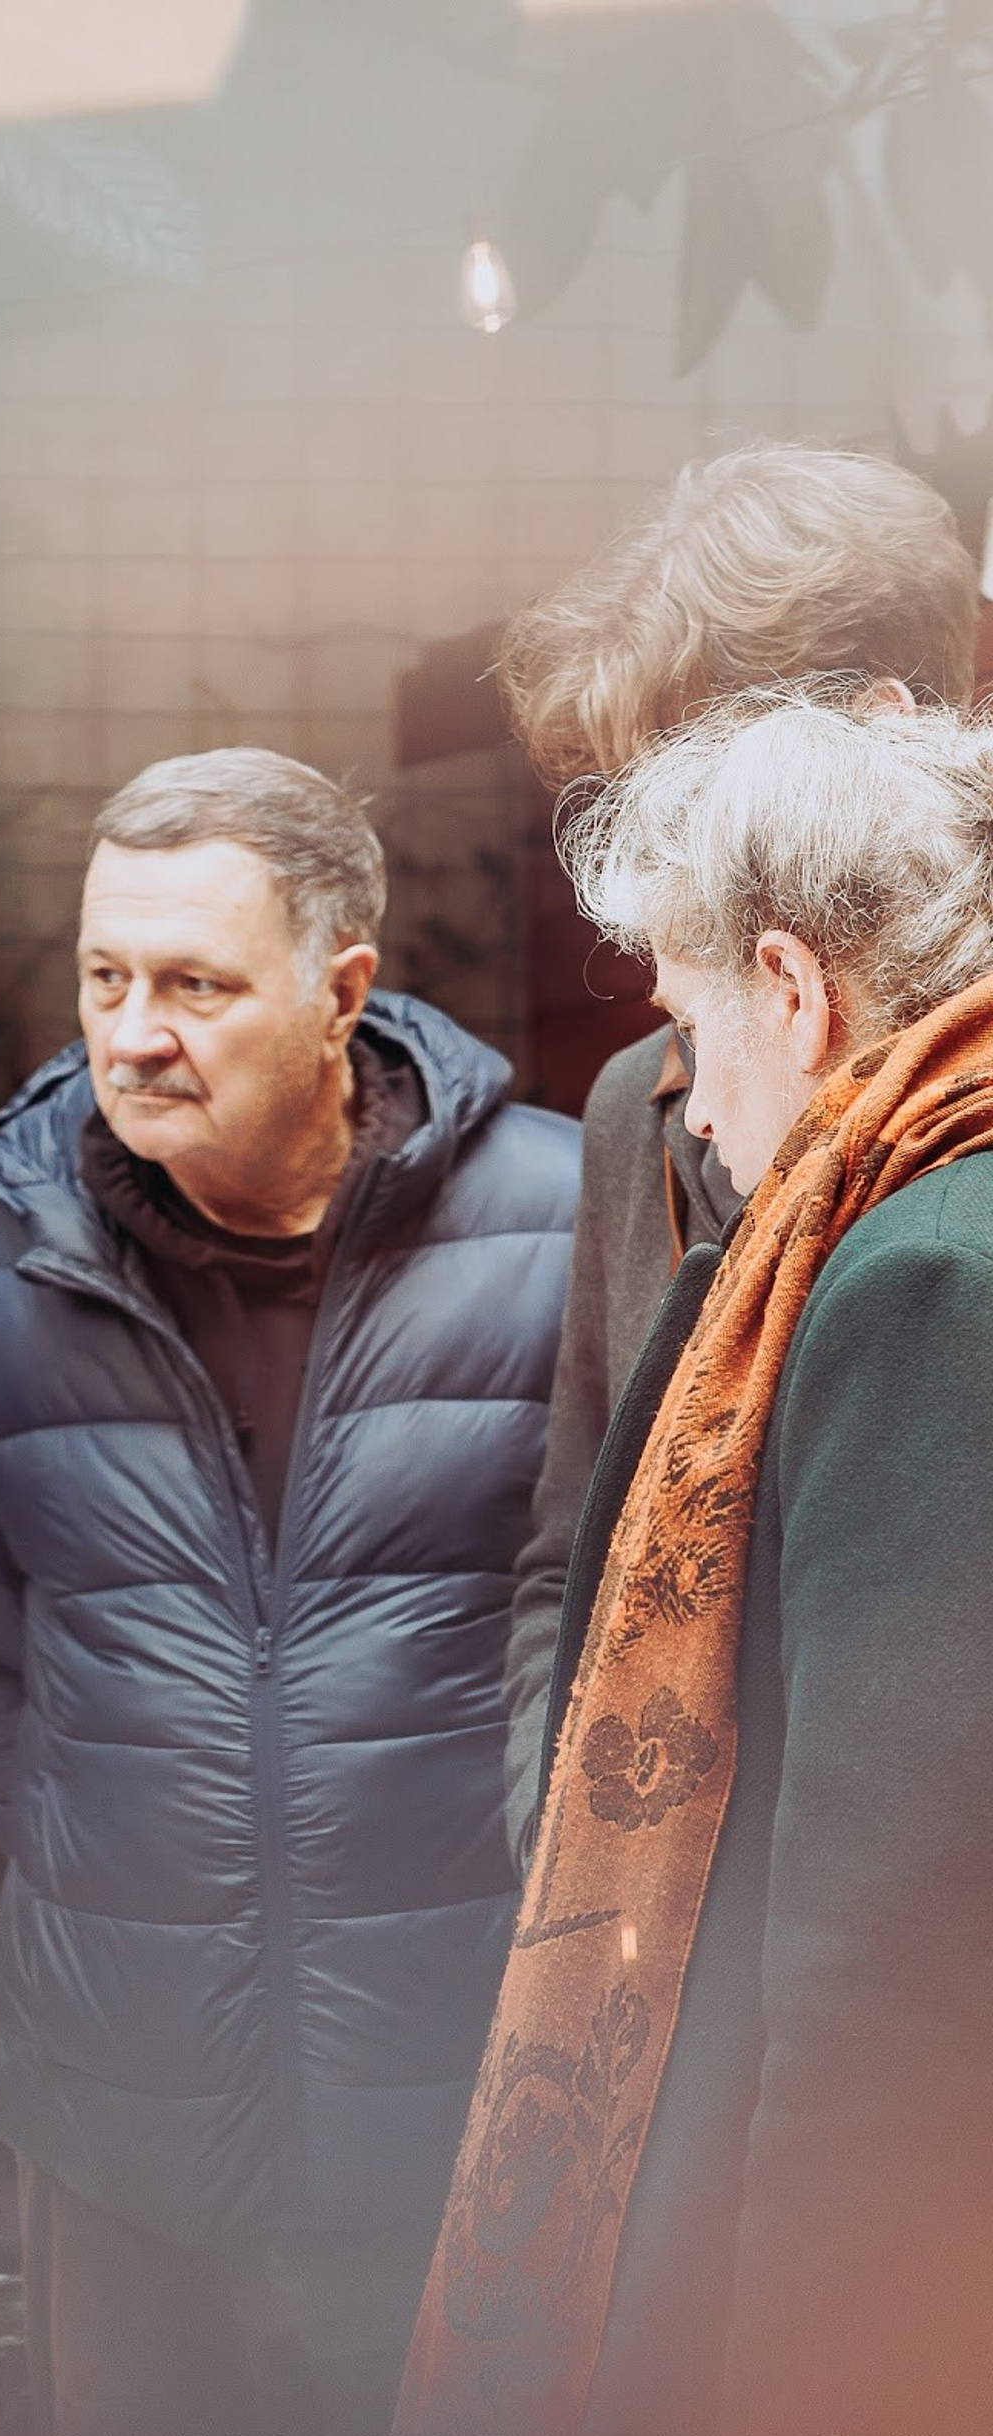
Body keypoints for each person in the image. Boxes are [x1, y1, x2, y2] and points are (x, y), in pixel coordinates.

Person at [0, 749, 577, 2436]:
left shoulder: (565, 1223)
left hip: (462, 2104)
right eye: (104, 976)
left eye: (196, 985)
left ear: (341, 992)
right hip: (118, 2121)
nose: (134, 1035)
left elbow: (617, 1631)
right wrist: (125, 1885)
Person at [383, 691, 993, 2436]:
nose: (695, 1102)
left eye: (685, 1025)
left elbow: (891, 1968)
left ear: (792, 990)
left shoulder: (930, 1282)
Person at [493, 442, 979, 1861]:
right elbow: (567, 1553)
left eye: (683, 783)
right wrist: (564, 1852)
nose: (646, 857)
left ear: (880, 732)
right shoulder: (637, 1105)